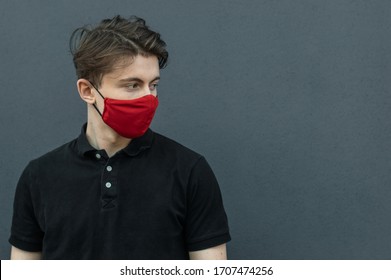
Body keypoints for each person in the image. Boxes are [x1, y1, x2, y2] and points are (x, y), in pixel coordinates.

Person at [9, 15, 230, 260]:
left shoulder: (189, 170)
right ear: (87, 91)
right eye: (133, 85)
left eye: (153, 85)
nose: (149, 98)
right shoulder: (39, 176)